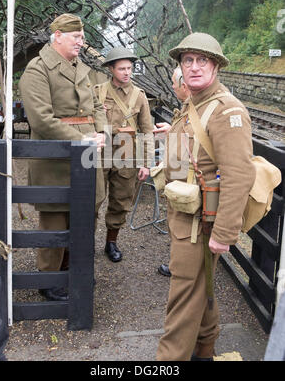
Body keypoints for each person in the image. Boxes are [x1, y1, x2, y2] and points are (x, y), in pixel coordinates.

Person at [155, 32, 256, 361]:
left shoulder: (227, 111)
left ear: (216, 66)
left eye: (202, 60)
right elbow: (181, 156)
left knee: (181, 304)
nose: (194, 67)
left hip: (201, 226)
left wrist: (225, 233)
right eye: (188, 61)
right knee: (199, 290)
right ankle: (205, 351)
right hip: (184, 219)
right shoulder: (192, 104)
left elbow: (240, 174)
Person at [19, 13, 107, 301]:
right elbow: (42, 120)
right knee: (55, 218)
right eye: (76, 38)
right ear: (57, 36)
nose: (82, 43)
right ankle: (49, 279)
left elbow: (97, 105)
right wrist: (82, 140)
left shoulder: (81, 67)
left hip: (88, 153)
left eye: (82, 37)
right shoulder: (38, 70)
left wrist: (103, 131)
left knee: (86, 215)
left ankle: (76, 270)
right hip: (56, 158)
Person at [94, 47, 154, 262]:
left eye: (129, 68)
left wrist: (146, 163)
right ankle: (85, 242)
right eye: (121, 68)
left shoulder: (139, 96)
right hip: (101, 150)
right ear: (111, 69)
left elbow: (147, 130)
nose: (126, 72)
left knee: (121, 201)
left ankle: (111, 242)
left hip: (127, 151)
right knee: (92, 199)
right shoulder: (98, 91)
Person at [158, 66, 190, 278]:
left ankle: (181, 268)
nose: (171, 86)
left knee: (183, 227)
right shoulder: (189, 107)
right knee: (176, 225)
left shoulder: (195, 108)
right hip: (177, 180)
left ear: (184, 85)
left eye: (173, 82)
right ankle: (177, 262)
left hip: (185, 181)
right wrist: (172, 130)